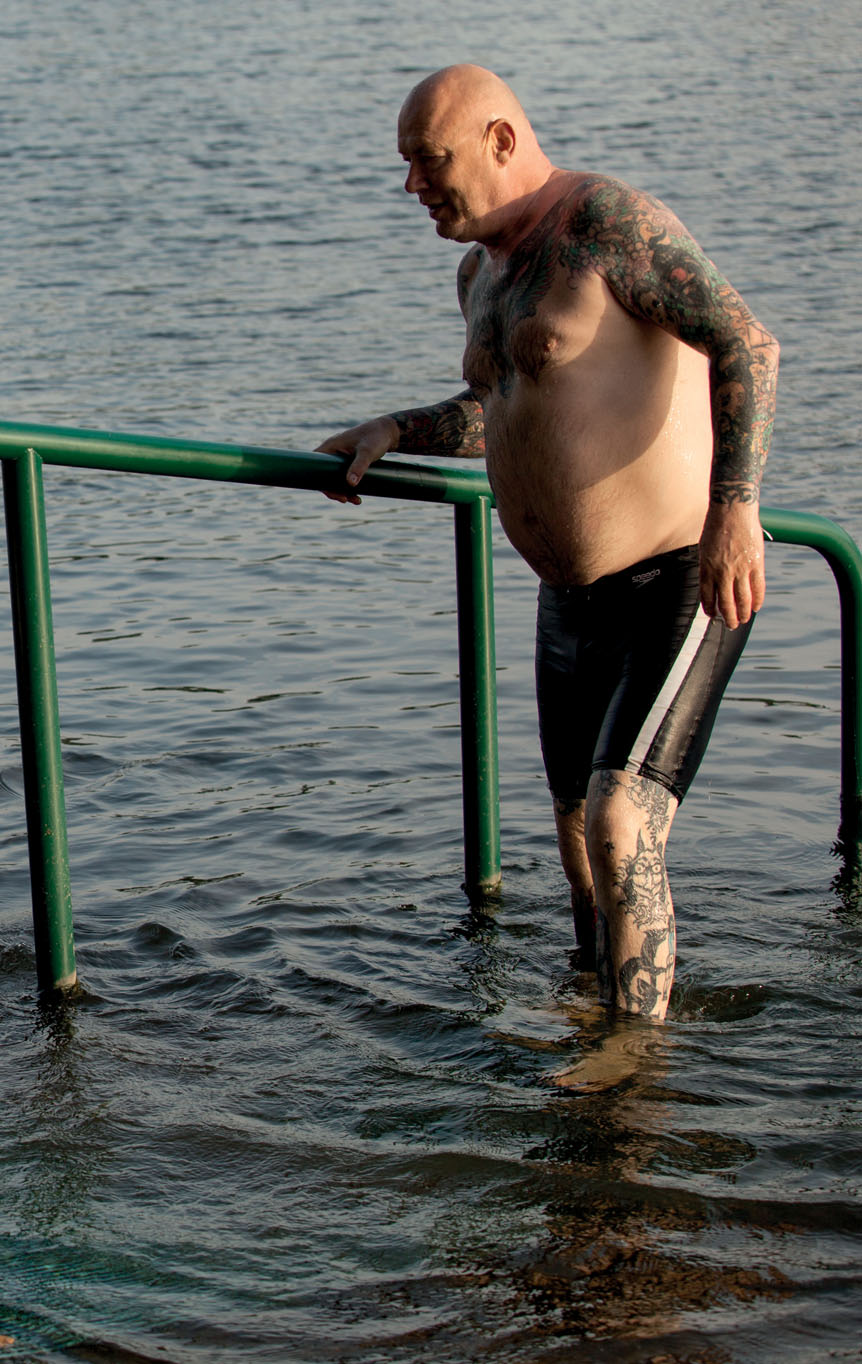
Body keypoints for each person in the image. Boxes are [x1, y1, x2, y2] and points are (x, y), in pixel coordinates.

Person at [318, 64, 778, 1020]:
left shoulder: (606, 224)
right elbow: (506, 407)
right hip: (567, 598)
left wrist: (735, 509)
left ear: (498, 140)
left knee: (622, 824)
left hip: (675, 576)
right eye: (403, 165)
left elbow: (746, 344)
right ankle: (594, 1022)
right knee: (577, 844)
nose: (412, 186)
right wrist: (397, 430)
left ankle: (635, 1081)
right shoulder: (479, 272)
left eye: (428, 160)